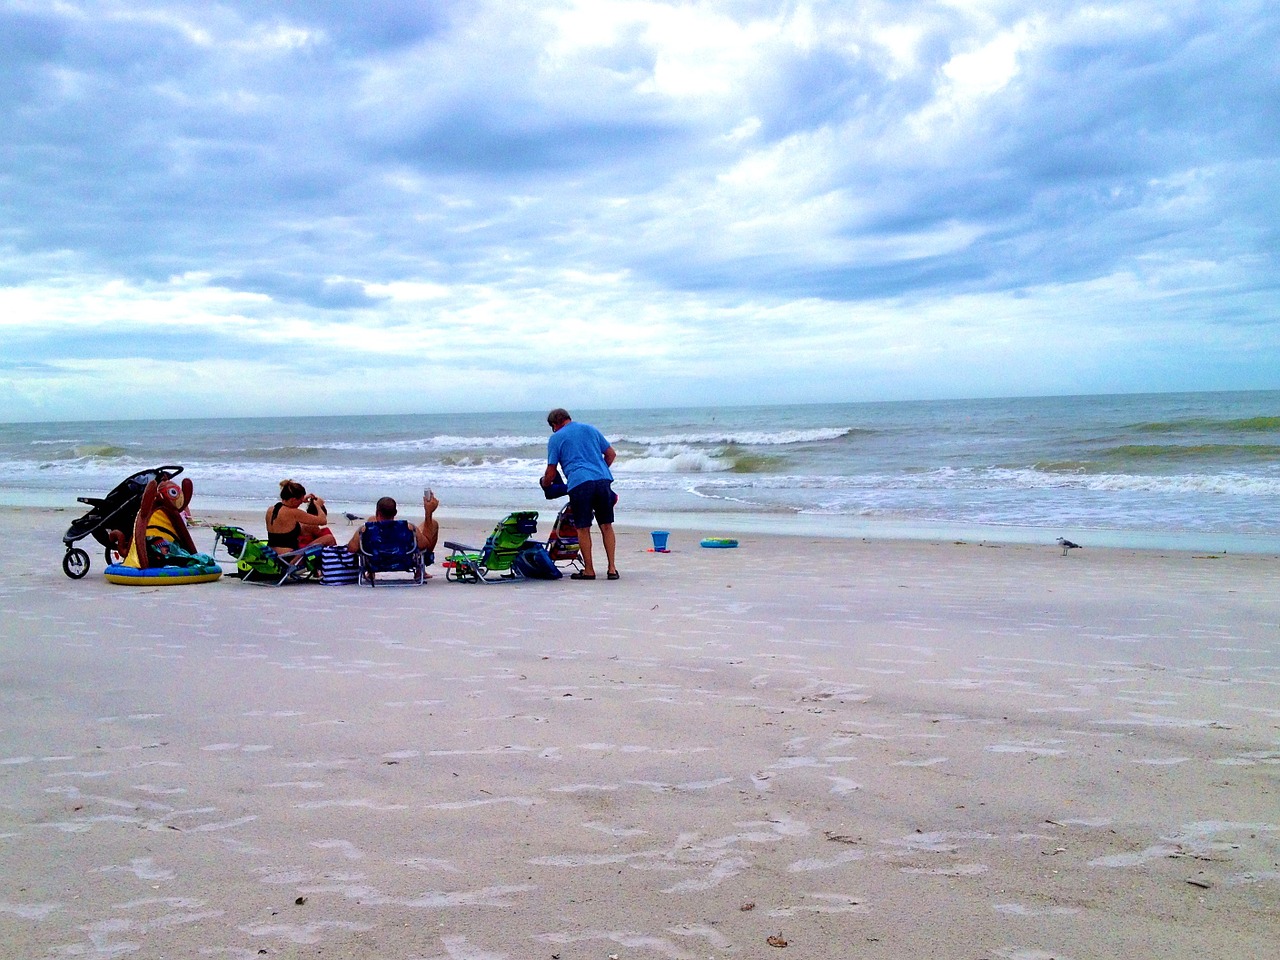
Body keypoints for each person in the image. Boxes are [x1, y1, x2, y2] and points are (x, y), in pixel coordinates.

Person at [542, 408, 618, 580]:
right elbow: (611, 454)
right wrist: (600, 470)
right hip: (603, 480)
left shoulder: (556, 438)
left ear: (555, 424)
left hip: (580, 483)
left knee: (583, 528)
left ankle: (589, 570)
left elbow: (551, 471)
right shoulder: (590, 429)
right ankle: (612, 568)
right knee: (606, 525)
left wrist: (545, 483)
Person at [346, 493, 440, 556]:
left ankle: (371, 573)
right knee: (433, 524)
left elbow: (351, 549)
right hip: (403, 560)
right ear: (395, 513)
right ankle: (420, 571)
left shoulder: (366, 529)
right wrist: (429, 513)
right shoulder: (408, 528)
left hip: (376, 562)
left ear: (377, 512)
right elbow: (425, 545)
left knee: (372, 520)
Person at [267, 480, 337, 552]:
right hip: (289, 555)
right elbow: (323, 521)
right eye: (300, 501)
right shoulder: (294, 513)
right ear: (293, 500)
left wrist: (301, 499)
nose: (301, 503)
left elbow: (287, 509)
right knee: (329, 538)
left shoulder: (271, 509)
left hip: (272, 550)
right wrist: (318, 505)